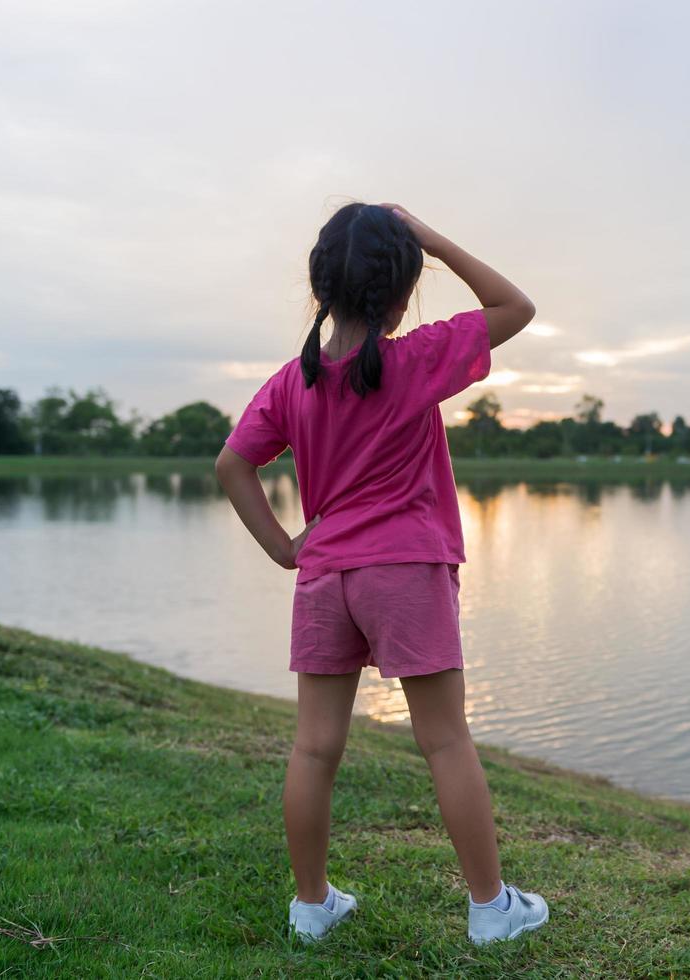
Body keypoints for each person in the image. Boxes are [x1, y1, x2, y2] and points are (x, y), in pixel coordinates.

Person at [214, 202, 546, 946]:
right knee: (446, 742)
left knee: (313, 747)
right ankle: (492, 909)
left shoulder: (290, 385)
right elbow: (515, 307)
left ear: (321, 288)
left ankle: (311, 907)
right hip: (405, 569)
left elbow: (231, 465)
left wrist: (283, 548)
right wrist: (430, 238)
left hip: (326, 575)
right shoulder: (415, 359)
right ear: (398, 295)